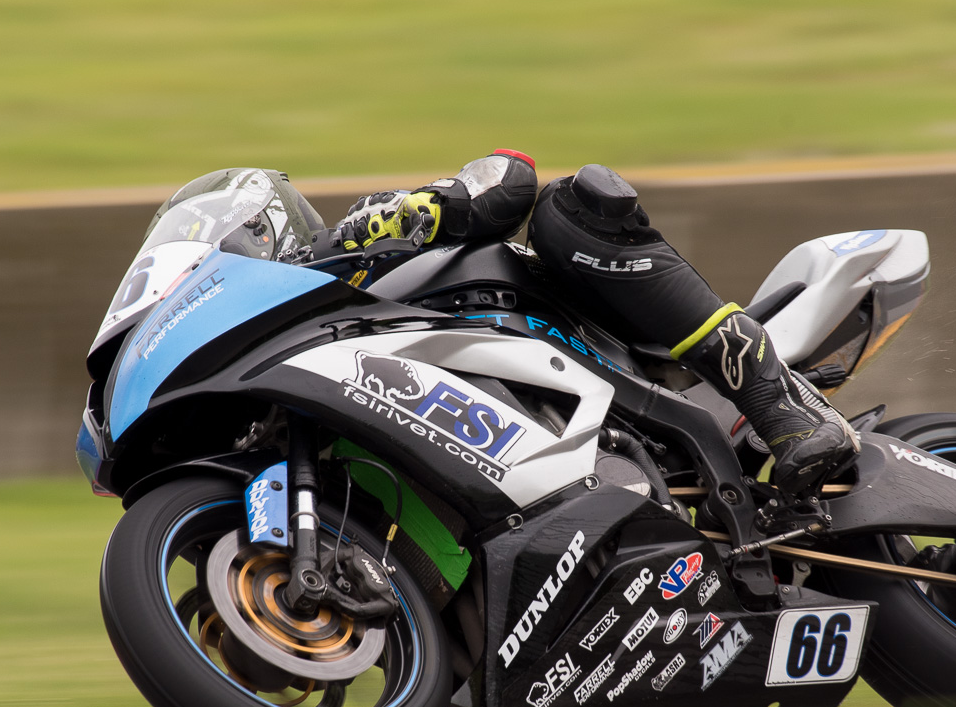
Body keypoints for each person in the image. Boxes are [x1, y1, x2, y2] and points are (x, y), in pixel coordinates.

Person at [312, 150, 860, 496]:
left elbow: (507, 177)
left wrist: (420, 212)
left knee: (573, 203)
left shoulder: (345, 246)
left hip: (566, 324)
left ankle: (784, 410)